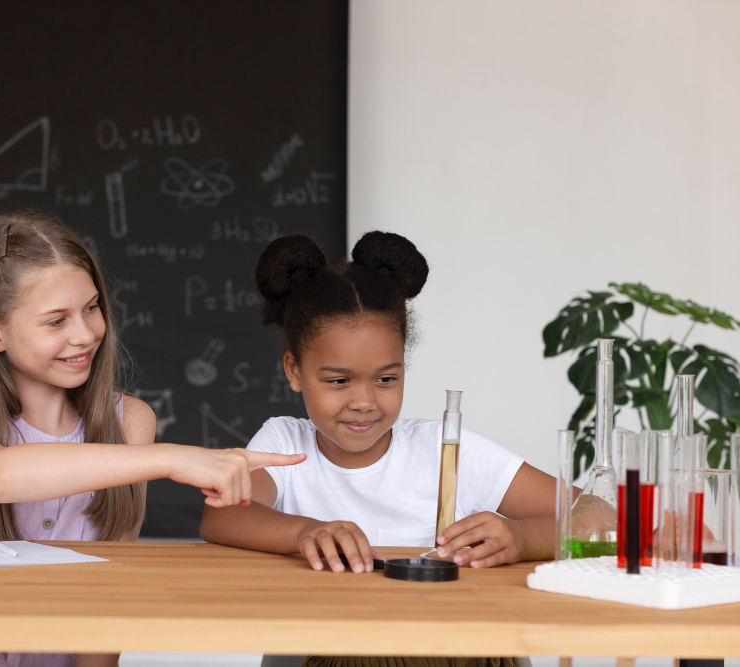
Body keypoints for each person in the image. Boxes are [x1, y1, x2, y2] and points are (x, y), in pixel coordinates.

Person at [0, 211, 303, 667]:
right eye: (56, 321)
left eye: (91, 308)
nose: (87, 334)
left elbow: (109, 596)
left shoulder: (129, 422)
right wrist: (170, 459)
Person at [200, 231, 557, 667]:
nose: (365, 401)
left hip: (449, 649)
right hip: (331, 650)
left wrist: (522, 538)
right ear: (294, 370)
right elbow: (222, 514)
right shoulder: (284, 443)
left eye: (387, 379)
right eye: (338, 381)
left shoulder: (446, 449)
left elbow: (599, 518)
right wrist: (304, 531)